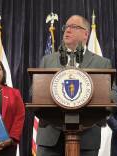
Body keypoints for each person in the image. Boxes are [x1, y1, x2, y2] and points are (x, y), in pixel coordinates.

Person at [36, 15, 112, 156]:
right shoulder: (47, 60)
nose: (67, 30)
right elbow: (34, 93)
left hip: (87, 138)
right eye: (66, 27)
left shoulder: (102, 63)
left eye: (74, 27)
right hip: (50, 138)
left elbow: (112, 96)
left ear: (85, 34)